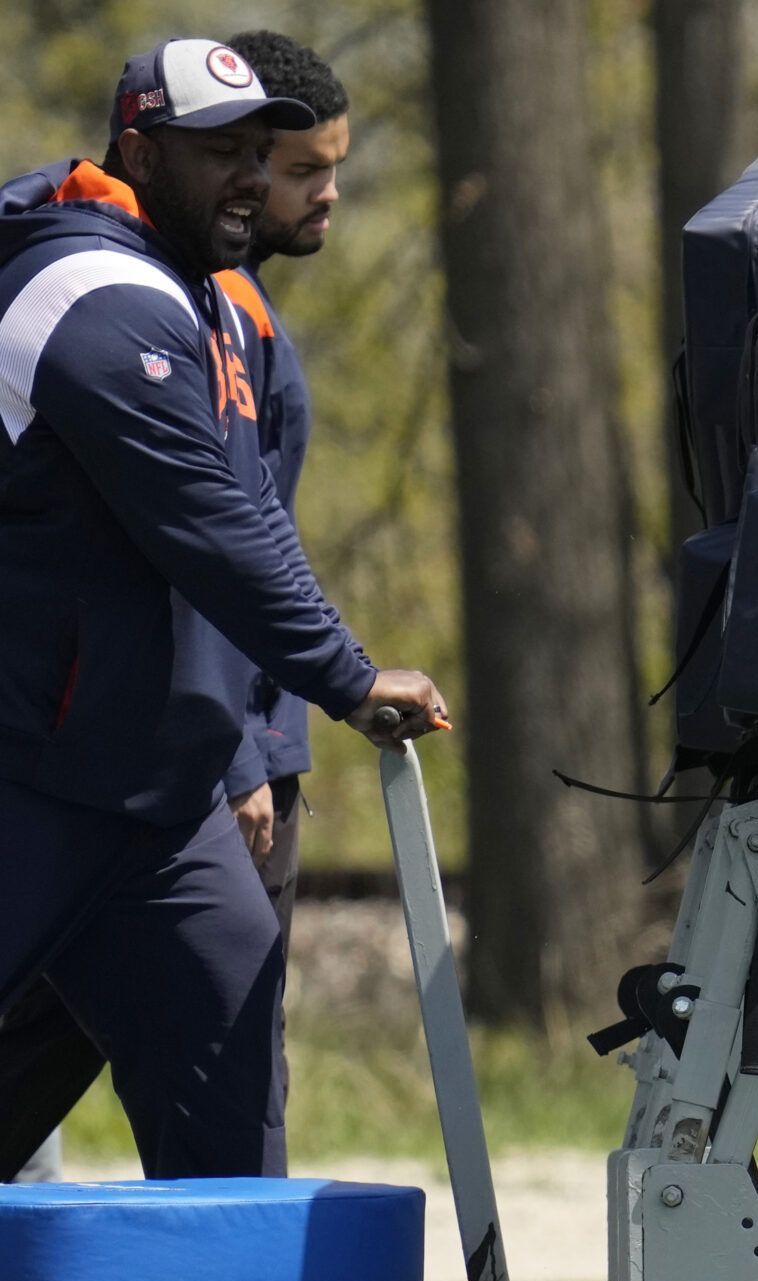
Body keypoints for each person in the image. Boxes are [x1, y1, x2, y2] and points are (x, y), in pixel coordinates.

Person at [0, 39, 442, 1183]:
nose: (249, 176)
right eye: (218, 153)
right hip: (26, 780)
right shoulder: (88, 290)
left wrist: (239, 744)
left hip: (157, 803)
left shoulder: (205, 294)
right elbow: (209, 522)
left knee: (232, 1123)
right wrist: (347, 676)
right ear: (139, 151)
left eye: (260, 151)